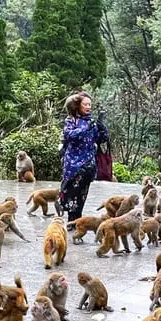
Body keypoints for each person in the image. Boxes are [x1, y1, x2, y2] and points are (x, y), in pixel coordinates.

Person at [58, 91, 107, 226]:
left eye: (90, 104)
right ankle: (71, 219)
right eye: (85, 104)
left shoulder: (91, 122)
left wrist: (102, 129)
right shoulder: (71, 120)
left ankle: (76, 220)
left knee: (82, 194)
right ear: (77, 105)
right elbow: (69, 135)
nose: (88, 107)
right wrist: (85, 129)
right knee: (71, 192)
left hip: (88, 163)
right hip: (73, 163)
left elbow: (100, 140)